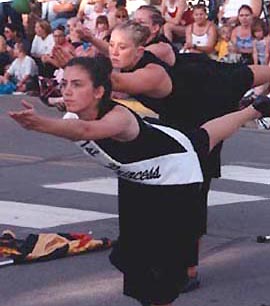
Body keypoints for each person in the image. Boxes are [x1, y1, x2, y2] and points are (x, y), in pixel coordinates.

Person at [9, 55, 270, 306]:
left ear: (99, 91)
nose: (67, 90)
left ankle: (253, 110)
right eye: (65, 83)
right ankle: (255, 109)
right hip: (141, 180)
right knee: (136, 267)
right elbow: (69, 112)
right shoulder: (80, 110)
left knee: (159, 281)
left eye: (77, 85)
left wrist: (39, 124)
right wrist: (53, 99)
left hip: (173, 181)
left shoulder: (118, 118)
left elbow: (87, 131)